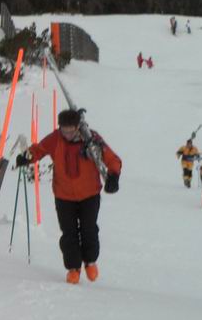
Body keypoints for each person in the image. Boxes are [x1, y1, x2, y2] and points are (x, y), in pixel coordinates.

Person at [15, 109, 122, 284]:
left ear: (78, 127)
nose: (67, 135)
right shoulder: (56, 139)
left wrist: (114, 176)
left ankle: (90, 262)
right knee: (69, 233)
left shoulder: (91, 139)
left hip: (89, 194)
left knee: (89, 229)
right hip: (64, 196)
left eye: (71, 131)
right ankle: (73, 268)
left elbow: (112, 158)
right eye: (64, 130)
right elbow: (40, 149)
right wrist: (27, 157)